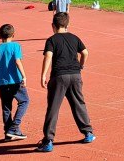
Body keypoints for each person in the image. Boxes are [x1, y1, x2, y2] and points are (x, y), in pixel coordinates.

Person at [37, 12, 95, 152]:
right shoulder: (75, 38)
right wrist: (81, 65)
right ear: (67, 25)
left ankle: (49, 140)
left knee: (53, 108)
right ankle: (88, 133)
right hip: (75, 75)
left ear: (53, 26)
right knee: (78, 104)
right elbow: (85, 52)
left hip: (59, 76)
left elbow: (48, 57)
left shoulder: (51, 40)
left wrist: (43, 75)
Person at [0, 23, 29, 141]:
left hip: (2, 83)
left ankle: (8, 132)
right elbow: (18, 61)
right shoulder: (16, 46)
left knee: (6, 107)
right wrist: (24, 76)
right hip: (15, 81)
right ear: (13, 35)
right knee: (24, 101)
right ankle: (14, 127)